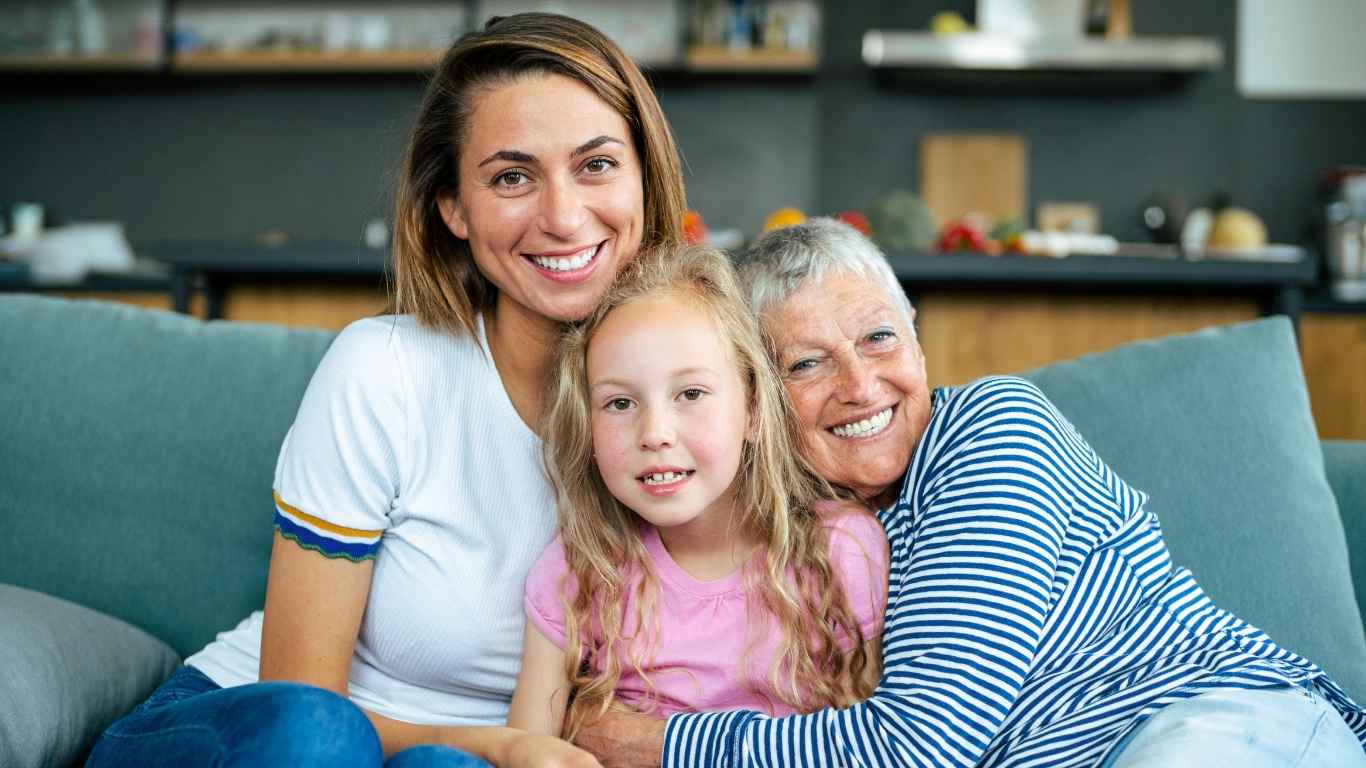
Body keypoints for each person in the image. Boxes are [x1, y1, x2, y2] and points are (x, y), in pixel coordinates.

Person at [87, 13, 685, 768]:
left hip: (458, 761)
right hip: (256, 735)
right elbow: (301, 700)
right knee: (327, 740)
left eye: (596, 165)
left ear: (644, 179)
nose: (564, 217)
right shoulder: (385, 371)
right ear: (454, 209)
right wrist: (501, 745)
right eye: (511, 177)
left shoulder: (702, 409)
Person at [575, 218, 1366, 768]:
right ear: (757, 402)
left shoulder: (990, 430)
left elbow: (918, 748)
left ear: (918, 337)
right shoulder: (800, 542)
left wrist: (657, 747)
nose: (860, 385)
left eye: (879, 337)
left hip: (1205, 722)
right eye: (807, 364)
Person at [507, 246, 887, 742]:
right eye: (619, 402)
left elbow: (870, 743)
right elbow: (528, 750)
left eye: (690, 394)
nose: (655, 432)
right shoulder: (580, 569)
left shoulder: (839, 550)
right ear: (589, 428)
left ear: (752, 410)